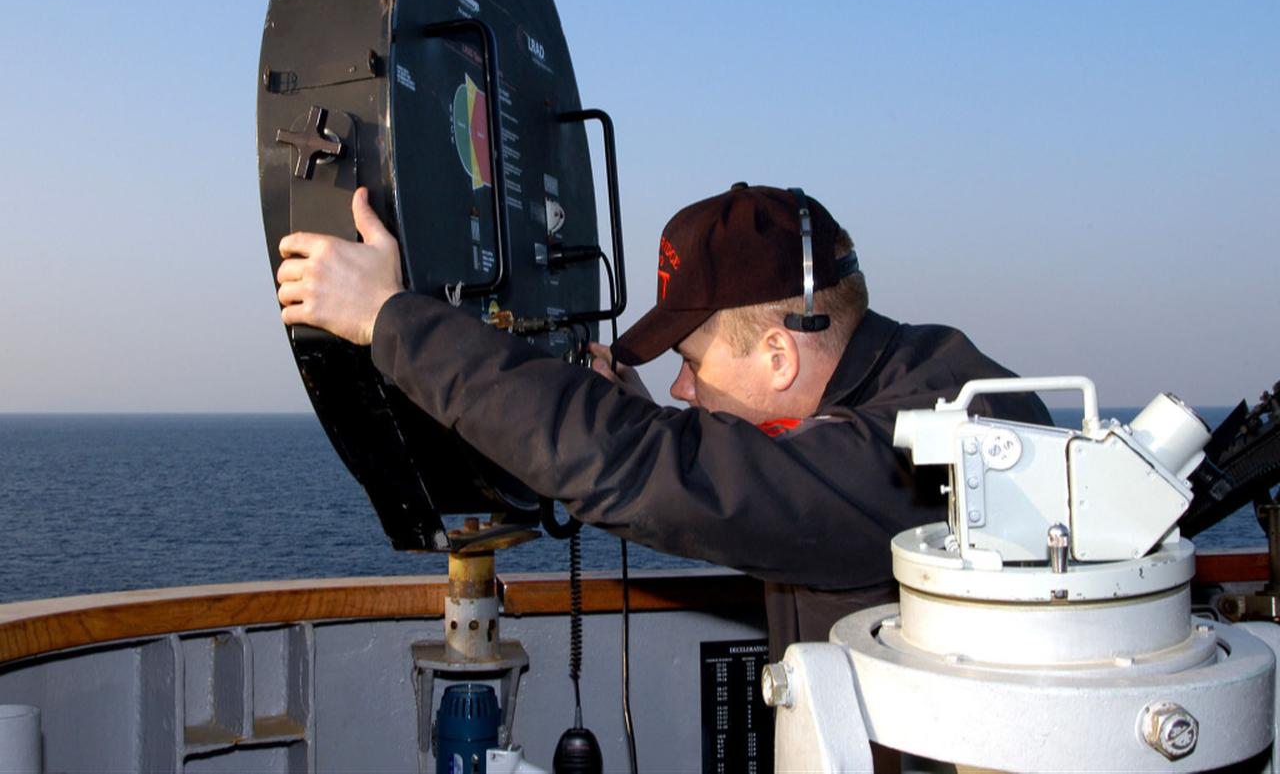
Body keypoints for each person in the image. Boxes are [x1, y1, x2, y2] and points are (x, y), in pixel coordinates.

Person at [276, 182, 1050, 658]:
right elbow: (762, 475)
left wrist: (389, 318)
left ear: (779, 357)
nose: (680, 387)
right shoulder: (918, 378)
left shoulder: (930, 453)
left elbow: (657, 473)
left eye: (692, 358)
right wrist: (632, 412)